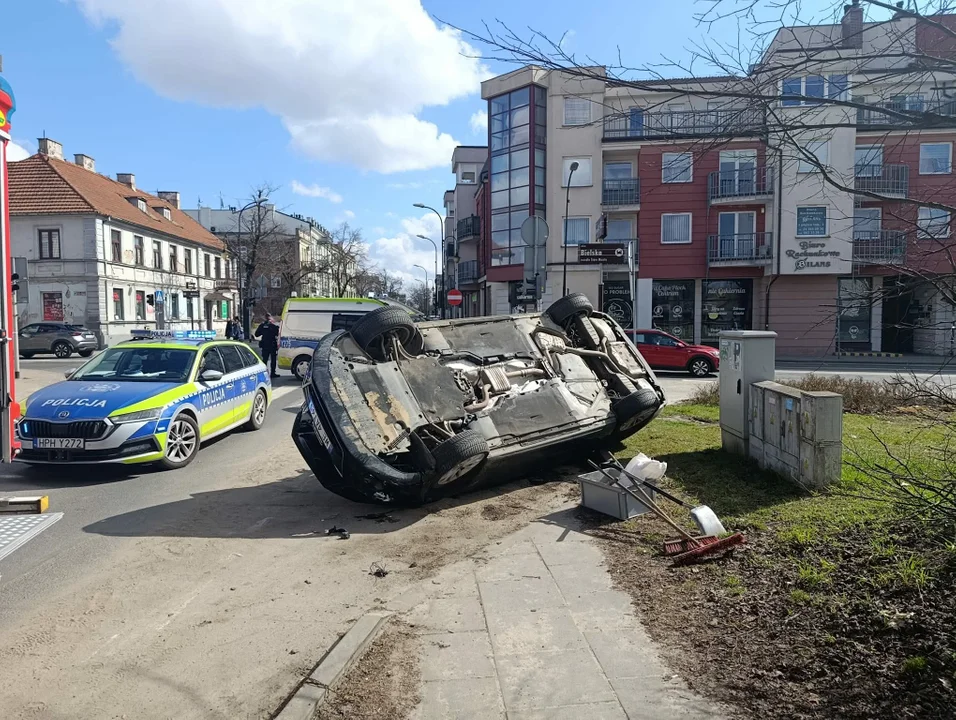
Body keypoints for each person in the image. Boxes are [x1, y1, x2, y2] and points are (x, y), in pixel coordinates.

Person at [255, 313, 280, 378]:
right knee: (273, 360)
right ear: (270, 317)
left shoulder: (262, 325)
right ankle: (272, 373)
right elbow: (278, 334)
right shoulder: (273, 326)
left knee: (265, 360)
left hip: (265, 345)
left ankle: (264, 373)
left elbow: (257, 334)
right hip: (272, 345)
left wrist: (263, 332)